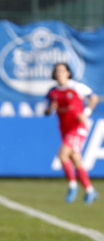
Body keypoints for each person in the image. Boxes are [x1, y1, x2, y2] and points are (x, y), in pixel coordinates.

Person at [45, 62, 99, 204]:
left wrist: (86, 112)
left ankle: (72, 186)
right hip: (65, 128)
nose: (60, 73)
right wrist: (50, 108)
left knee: (62, 155)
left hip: (78, 127)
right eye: (57, 71)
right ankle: (90, 190)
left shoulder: (76, 86)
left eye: (62, 71)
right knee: (75, 159)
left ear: (68, 73)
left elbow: (94, 98)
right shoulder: (52, 92)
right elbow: (47, 110)